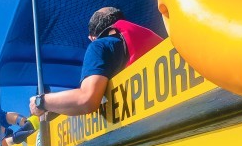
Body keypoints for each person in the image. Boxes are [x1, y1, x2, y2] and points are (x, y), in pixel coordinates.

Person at [29, 7, 163, 117]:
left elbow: (87, 100)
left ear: (92, 37)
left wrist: (41, 101)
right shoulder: (150, 36)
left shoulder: (99, 45)